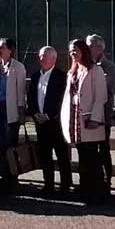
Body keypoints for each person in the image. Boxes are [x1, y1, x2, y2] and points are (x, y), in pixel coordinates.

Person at [60, 38, 109, 204]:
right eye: (71, 51)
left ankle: (97, 191)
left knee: (92, 158)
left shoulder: (95, 70)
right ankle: (85, 189)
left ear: (83, 51)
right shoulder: (72, 71)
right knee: (82, 157)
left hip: (89, 121)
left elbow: (100, 96)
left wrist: (95, 118)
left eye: (76, 50)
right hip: (76, 121)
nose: (73, 54)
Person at [27, 46, 72, 198]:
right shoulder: (35, 77)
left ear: (53, 59)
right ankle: (48, 185)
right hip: (40, 123)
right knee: (45, 156)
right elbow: (31, 97)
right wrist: (35, 113)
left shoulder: (61, 77)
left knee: (62, 156)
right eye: (40, 56)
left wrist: (50, 115)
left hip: (56, 123)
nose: (41, 58)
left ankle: (65, 187)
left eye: (44, 56)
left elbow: (62, 100)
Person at [87, 34, 115, 189]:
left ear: (100, 48)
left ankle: (107, 180)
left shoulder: (109, 66)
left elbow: (106, 90)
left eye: (91, 45)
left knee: (103, 149)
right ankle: (92, 179)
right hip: (86, 115)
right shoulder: (84, 65)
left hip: (102, 116)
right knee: (90, 150)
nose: (88, 48)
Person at [0, 37, 27, 146]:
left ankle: (11, 162)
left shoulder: (18, 67)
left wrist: (21, 111)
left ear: (10, 50)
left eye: (2, 48)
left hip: (9, 109)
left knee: (9, 141)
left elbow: (20, 91)